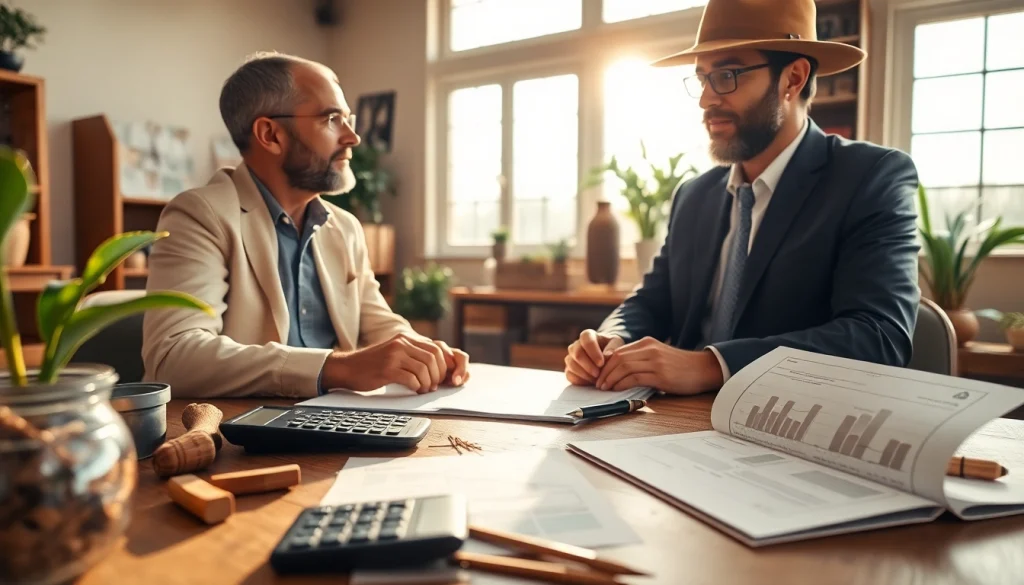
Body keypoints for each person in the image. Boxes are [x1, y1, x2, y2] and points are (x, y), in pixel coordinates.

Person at [565, 0, 920, 395]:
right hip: (674, 423)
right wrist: (610, 338)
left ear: (793, 79)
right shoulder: (694, 195)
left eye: (728, 75)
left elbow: (879, 337)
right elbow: (652, 300)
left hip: (789, 424)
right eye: (702, 79)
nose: (706, 100)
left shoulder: (870, 178)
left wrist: (712, 365)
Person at [142, 52, 469, 398]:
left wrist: (425, 353)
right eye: (331, 119)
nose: (352, 138)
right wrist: (338, 368)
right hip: (244, 434)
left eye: (348, 119)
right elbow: (173, 357)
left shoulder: (345, 227)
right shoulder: (200, 215)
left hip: (338, 419)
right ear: (270, 134)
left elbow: (379, 324)